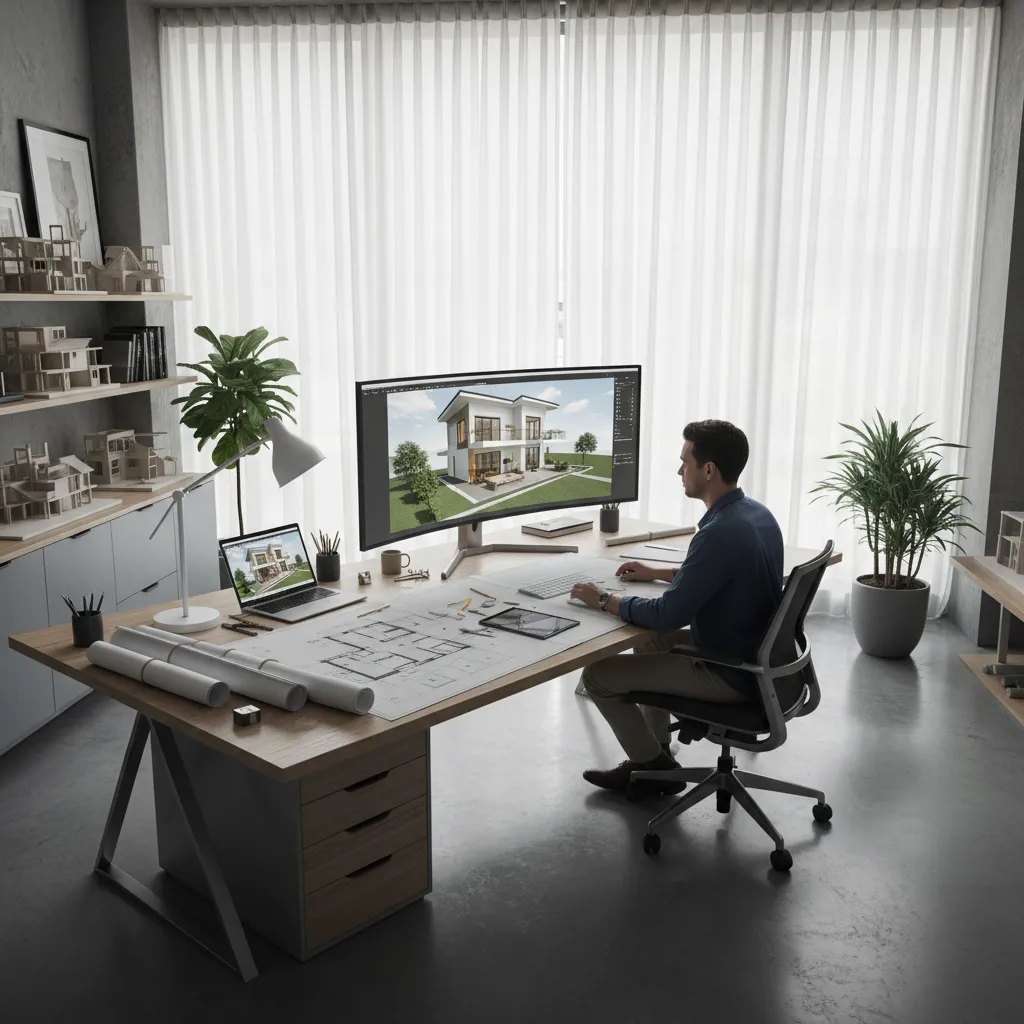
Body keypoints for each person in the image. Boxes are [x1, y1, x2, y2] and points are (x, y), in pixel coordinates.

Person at [570, 419, 783, 796]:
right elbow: (717, 573)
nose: (679, 470)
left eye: (685, 461)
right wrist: (656, 572)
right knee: (649, 641)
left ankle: (651, 768)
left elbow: (667, 614)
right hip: (757, 658)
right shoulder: (755, 515)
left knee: (597, 676)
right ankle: (659, 751)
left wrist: (603, 599)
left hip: (730, 671)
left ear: (708, 470)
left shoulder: (718, 533)